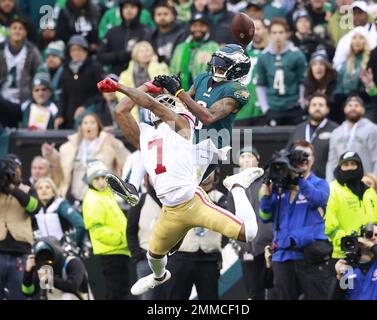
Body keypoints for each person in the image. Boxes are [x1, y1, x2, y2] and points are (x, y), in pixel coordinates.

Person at [97, 77, 263, 296]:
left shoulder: (183, 126)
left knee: (249, 233)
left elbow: (152, 104)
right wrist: (147, 85)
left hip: (193, 202)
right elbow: (121, 110)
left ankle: (237, 185)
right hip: (169, 209)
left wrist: (121, 87)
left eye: (168, 103)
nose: (165, 107)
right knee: (153, 256)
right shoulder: (146, 134)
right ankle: (159, 276)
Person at [108, 43, 252, 206]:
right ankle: (133, 186)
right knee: (148, 136)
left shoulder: (238, 90)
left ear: (237, 68)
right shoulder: (203, 78)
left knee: (157, 121)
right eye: (216, 62)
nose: (217, 66)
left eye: (223, 64)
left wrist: (177, 92)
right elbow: (182, 102)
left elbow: (208, 117)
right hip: (188, 138)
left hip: (208, 144)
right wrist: (169, 90)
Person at [259, 141, 332, 300]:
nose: (304, 159)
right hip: (283, 257)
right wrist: (266, 195)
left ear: (313, 159)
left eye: (307, 155)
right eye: (299, 155)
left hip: (309, 257)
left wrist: (299, 179)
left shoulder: (320, 184)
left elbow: (318, 200)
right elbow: (265, 217)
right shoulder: (280, 185)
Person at [41, 112, 129, 205]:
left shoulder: (109, 143)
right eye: (85, 123)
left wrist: (118, 147)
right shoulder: (70, 146)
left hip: (103, 196)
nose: (89, 126)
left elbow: (127, 160)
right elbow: (60, 165)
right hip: (77, 196)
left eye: (92, 123)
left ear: (98, 126)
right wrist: (51, 154)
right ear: (81, 127)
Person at [165, 169, 226, 300]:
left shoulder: (220, 197)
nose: (207, 174)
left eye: (211, 170)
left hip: (208, 258)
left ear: (216, 175)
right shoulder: (181, 194)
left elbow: (223, 218)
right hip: (181, 256)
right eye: (203, 169)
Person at [227, 146, 274, 300]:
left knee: (273, 289)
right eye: (243, 156)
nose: (246, 159)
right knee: (254, 293)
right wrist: (242, 245)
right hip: (247, 248)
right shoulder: (234, 187)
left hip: (267, 247)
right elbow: (230, 217)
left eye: (250, 156)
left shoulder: (267, 183)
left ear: (257, 160)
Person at [82, 159, 131, 300]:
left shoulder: (105, 195)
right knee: (116, 293)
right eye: (96, 178)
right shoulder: (92, 199)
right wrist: (121, 238)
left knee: (119, 292)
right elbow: (97, 230)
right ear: (90, 181)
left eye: (103, 177)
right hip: (111, 252)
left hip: (119, 251)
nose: (101, 182)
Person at [325, 151, 377, 261]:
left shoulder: (369, 192)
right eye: (346, 165)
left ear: (359, 167)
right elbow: (329, 227)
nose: (350, 168)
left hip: (371, 254)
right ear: (339, 168)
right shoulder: (331, 190)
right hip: (344, 256)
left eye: (353, 164)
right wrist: (351, 241)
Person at [0, 154, 42, 300]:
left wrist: (12, 188)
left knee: (20, 296)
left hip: (20, 254)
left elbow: (34, 208)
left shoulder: (27, 189)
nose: (16, 172)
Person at [256, 18, 307, 126]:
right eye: (274, 33)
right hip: (274, 108)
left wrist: (302, 104)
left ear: (287, 34)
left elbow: (302, 81)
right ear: (269, 35)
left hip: (294, 106)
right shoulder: (263, 57)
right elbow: (261, 85)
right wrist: (266, 109)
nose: (277, 36)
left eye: (281, 32)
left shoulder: (297, 55)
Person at [326, 95, 377, 181]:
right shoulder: (336, 133)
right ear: (344, 109)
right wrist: (330, 183)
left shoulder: (374, 130)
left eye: (356, 105)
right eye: (350, 105)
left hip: (364, 182)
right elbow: (332, 161)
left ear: (363, 110)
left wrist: (374, 181)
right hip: (341, 185)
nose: (353, 108)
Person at [331, 223, 377, 300]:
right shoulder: (349, 267)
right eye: (369, 235)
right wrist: (340, 277)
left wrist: (372, 245)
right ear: (360, 239)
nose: (373, 238)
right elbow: (338, 297)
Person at [126, 174, 165, 300]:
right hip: (146, 260)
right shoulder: (140, 201)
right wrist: (137, 255)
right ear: (147, 179)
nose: (157, 179)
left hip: (172, 260)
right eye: (153, 175)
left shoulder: (174, 200)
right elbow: (130, 230)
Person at [0, 16, 42, 126]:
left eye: (21, 28)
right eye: (14, 28)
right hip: (2, 97)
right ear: (8, 31)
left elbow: (40, 74)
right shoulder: (0, 49)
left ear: (25, 32)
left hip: (24, 101)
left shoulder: (32, 51)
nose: (17, 31)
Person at [56, 35, 104, 129]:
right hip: (70, 117)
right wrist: (60, 115)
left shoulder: (95, 67)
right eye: (72, 50)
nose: (76, 53)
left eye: (79, 49)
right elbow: (63, 96)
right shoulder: (65, 70)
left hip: (91, 116)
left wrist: (85, 106)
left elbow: (101, 93)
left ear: (86, 50)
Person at [22, 236, 91, 300]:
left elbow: (73, 286)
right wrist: (28, 272)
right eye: (41, 257)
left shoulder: (72, 262)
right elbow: (28, 293)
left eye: (47, 255)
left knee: (67, 297)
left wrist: (50, 279)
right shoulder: (41, 269)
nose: (45, 261)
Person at [287, 93, 338, 179]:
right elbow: (287, 153)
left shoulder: (336, 130)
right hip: (299, 181)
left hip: (326, 181)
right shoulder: (298, 129)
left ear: (327, 109)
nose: (317, 108)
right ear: (309, 108)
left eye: (321, 105)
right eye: (314, 105)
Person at [116, 41, 169, 122]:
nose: (145, 54)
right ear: (135, 54)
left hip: (160, 108)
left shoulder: (161, 67)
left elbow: (164, 84)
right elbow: (121, 94)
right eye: (141, 51)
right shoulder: (126, 74)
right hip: (137, 111)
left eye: (147, 50)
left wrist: (154, 64)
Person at [97, 0, 153, 76]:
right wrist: (119, 56)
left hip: (142, 79)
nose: (129, 10)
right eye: (125, 7)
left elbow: (153, 55)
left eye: (132, 7)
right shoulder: (112, 32)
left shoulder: (147, 31)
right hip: (116, 77)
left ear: (138, 9)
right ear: (121, 10)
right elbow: (101, 57)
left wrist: (134, 55)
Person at [169, 13, 219, 91]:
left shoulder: (213, 47)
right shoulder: (180, 47)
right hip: (180, 90)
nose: (198, 29)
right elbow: (173, 70)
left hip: (203, 89)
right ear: (190, 27)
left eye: (201, 26)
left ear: (207, 28)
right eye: (195, 26)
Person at [234, 17, 268, 126]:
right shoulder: (240, 56)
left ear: (266, 30)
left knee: (264, 142)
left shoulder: (272, 55)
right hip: (242, 113)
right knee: (239, 142)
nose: (254, 32)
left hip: (264, 112)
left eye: (258, 28)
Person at [34, 177, 85, 249]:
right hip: (45, 252)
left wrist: (76, 243)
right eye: (40, 188)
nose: (44, 190)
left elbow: (80, 224)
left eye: (47, 187)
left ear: (53, 192)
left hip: (63, 251)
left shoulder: (60, 205)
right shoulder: (35, 209)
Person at [332, 1, 377, 71]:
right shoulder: (346, 38)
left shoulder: (376, 31)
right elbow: (337, 63)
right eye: (354, 14)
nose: (356, 16)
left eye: (360, 13)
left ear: (366, 14)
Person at [149, 1, 188, 65]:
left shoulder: (182, 33)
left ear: (173, 16)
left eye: (166, 14)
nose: (162, 17)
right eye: (159, 14)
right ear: (154, 17)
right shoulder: (152, 36)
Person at [303, 50, 337, 120]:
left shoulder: (334, 83)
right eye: (314, 64)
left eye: (321, 64)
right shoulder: (307, 84)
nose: (318, 67)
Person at [37, 40, 65, 105]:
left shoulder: (66, 72)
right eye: (48, 56)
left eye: (54, 56)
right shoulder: (41, 70)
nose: (50, 59)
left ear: (61, 58)